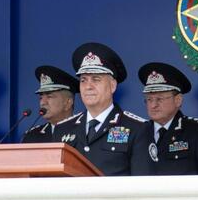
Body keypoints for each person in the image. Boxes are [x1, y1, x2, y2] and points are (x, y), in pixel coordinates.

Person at [53, 42, 151, 176]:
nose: (88, 86)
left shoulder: (138, 129)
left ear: (112, 86)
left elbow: (143, 184)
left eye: (96, 79)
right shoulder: (62, 129)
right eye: (83, 80)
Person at [138, 62, 198, 175]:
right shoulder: (139, 132)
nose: (153, 105)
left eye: (159, 99)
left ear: (178, 100)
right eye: (149, 99)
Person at [21, 65, 79, 143]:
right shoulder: (32, 135)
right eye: (41, 98)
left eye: (49, 96)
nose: (42, 103)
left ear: (68, 102)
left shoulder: (83, 131)